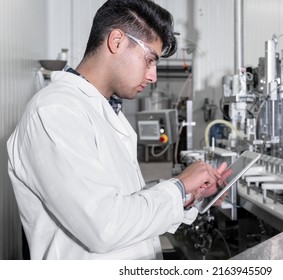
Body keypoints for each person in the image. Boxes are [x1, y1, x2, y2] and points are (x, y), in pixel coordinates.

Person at [7, 0, 227, 260]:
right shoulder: (54, 112)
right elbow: (104, 227)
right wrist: (178, 187)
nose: (153, 76)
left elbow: (125, 204)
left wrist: (189, 195)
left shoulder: (105, 112)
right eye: (149, 60)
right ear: (117, 41)